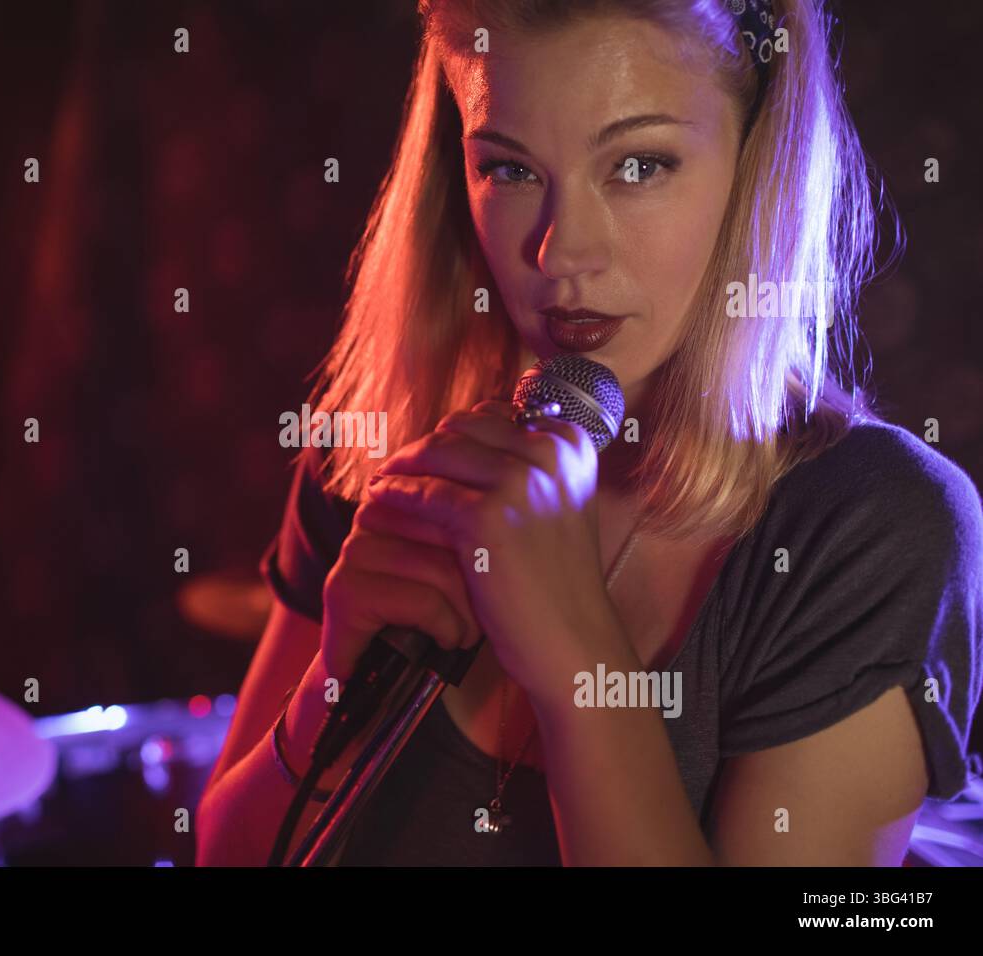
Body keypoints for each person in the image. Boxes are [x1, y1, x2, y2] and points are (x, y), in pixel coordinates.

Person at [195, 0, 983, 866]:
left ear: (759, 161)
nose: (562, 252)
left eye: (639, 165)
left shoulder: (871, 529)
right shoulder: (389, 450)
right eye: (509, 170)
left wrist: (577, 663)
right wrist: (328, 693)